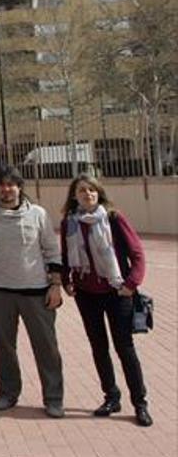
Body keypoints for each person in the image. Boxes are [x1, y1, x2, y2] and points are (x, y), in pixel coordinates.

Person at [0, 166, 65, 418]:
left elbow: (52, 251)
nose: (6, 189)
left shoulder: (37, 215)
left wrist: (56, 285)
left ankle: (54, 398)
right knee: (4, 347)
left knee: (46, 347)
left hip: (36, 291)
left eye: (11, 184)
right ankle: (7, 392)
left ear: (19, 187)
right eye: (1, 185)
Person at [61, 175, 151, 426]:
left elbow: (137, 254)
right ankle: (111, 396)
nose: (87, 194)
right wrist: (67, 280)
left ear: (99, 193)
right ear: (74, 195)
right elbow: (67, 255)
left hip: (116, 292)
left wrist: (131, 284)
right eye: (81, 191)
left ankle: (140, 403)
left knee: (125, 347)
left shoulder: (113, 218)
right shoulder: (70, 223)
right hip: (86, 293)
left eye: (91, 190)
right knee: (98, 346)